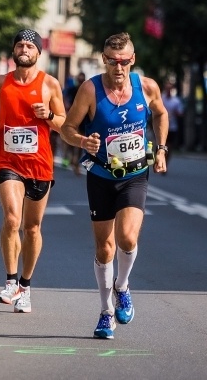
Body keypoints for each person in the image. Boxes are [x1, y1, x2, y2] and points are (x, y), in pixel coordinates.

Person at [60, 32, 169, 340]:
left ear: (132, 60)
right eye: (111, 61)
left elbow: (161, 114)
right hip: (101, 175)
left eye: (123, 61)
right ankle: (106, 311)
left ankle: (122, 286)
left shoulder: (146, 87)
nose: (117, 68)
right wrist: (84, 140)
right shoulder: (90, 90)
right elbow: (67, 128)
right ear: (104, 60)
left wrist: (160, 149)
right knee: (104, 248)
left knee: (127, 237)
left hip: (135, 173)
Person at [0, 29, 65, 313]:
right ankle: (10, 281)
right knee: (11, 219)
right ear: (13, 51)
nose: (24, 49)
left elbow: (64, 123)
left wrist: (49, 116)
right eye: (20, 45)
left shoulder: (50, 84)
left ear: (39, 53)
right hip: (8, 162)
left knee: (32, 228)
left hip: (40, 164)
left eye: (30, 45)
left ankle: (26, 287)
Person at [62, 72, 87, 175]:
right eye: (79, 80)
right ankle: (70, 158)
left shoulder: (87, 90)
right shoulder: (73, 89)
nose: (80, 82)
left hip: (84, 119)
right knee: (71, 140)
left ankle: (76, 162)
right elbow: (65, 98)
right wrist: (67, 107)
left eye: (82, 80)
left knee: (81, 141)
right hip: (73, 117)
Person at [161, 81, 183, 155]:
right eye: (167, 88)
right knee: (161, 144)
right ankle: (160, 159)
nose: (168, 90)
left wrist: (175, 113)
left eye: (170, 89)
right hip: (161, 126)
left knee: (169, 146)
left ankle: (166, 161)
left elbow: (180, 113)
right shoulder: (161, 99)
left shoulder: (176, 101)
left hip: (172, 126)